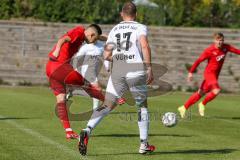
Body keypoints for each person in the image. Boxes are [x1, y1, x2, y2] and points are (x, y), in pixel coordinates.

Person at [78, 2, 155, 156]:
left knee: (107, 104)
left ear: (121, 14)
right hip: (135, 69)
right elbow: (144, 46)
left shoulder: (114, 29)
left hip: (118, 70)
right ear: (136, 14)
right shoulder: (140, 27)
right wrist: (149, 68)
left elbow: (106, 55)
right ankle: (143, 144)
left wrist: (120, 58)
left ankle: (87, 129)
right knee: (142, 106)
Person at [45, 24, 106, 140]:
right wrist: (57, 50)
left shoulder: (84, 36)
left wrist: (110, 38)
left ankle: (68, 131)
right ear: (91, 35)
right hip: (60, 67)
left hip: (50, 68)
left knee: (61, 99)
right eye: (95, 39)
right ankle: (111, 100)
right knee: (88, 84)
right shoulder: (79, 31)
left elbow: (100, 37)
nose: (94, 41)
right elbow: (63, 39)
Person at [178, 32, 240, 118]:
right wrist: (190, 72)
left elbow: (237, 51)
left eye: (221, 40)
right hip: (209, 74)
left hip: (215, 75)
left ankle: (183, 108)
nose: (220, 42)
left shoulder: (226, 47)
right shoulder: (209, 50)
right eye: (218, 40)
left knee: (200, 93)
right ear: (214, 40)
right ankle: (202, 104)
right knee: (216, 90)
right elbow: (198, 61)